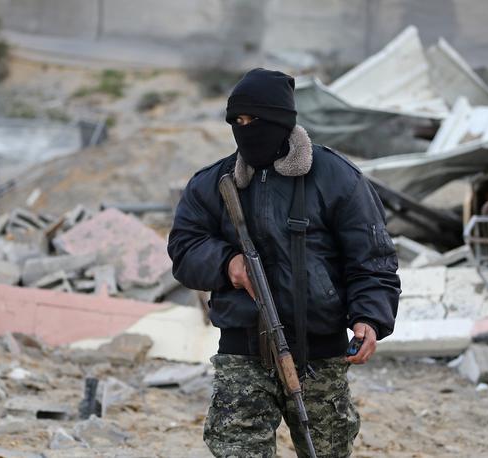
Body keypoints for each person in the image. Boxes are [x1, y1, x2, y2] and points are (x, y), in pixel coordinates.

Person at [167, 68, 400, 457]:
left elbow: (371, 259)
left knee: (326, 450)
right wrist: (228, 264)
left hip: (320, 353)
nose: (245, 130)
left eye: (253, 120)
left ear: (280, 121)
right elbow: (184, 248)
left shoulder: (337, 178)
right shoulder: (214, 182)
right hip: (243, 350)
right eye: (237, 122)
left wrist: (370, 318)